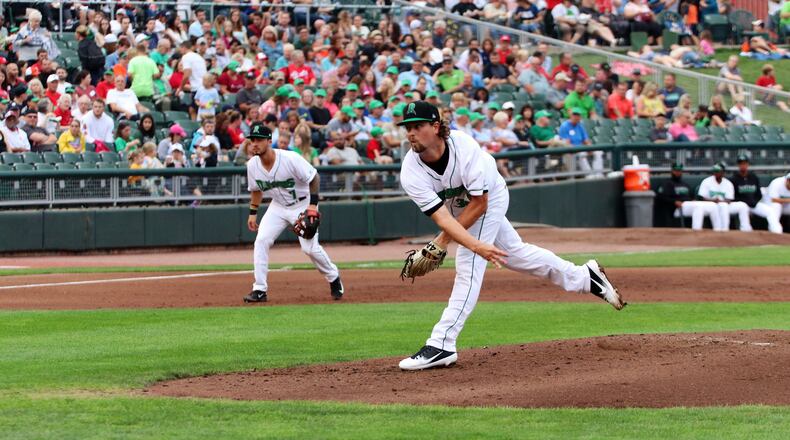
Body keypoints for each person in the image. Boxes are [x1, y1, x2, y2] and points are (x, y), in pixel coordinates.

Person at [396, 101, 624, 371]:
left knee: (469, 264)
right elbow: (443, 219)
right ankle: (585, 277)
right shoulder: (411, 171)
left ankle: (442, 343)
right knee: (516, 254)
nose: (411, 133)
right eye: (407, 127)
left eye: (417, 126)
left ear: (435, 127)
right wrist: (444, 241)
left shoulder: (464, 147)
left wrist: (462, 245)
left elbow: (479, 204)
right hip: (459, 205)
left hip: (490, 196)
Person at [243, 122, 343, 303]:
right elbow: (256, 189)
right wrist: (253, 213)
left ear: (269, 140)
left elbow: (314, 178)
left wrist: (313, 206)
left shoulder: (289, 158)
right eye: (252, 140)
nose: (254, 143)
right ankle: (259, 289)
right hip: (278, 206)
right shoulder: (252, 165)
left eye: (259, 140)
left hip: (303, 204)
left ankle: (333, 276)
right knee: (261, 240)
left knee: (309, 249)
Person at [655, 163, 721, 230]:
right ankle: (696, 230)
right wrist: (674, 202)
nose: (678, 172)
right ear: (672, 171)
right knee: (698, 206)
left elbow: (689, 196)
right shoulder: (667, 183)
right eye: (676, 171)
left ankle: (718, 230)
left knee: (713, 205)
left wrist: (692, 200)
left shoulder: (685, 184)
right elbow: (661, 197)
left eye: (679, 171)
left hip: (688, 205)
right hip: (676, 208)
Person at [698, 164, 752, 232]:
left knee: (743, 205)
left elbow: (729, 200)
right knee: (722, 205)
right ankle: (723, 230)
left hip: (724, 205)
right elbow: (702, 198)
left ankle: (746, 229)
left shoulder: (728, 183)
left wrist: (720, 201)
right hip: (710, 205)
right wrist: (713, 200)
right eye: (715, 171)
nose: (716, 173)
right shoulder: (706, 181)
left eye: (718, 171)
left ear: (723, 173)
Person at [732, 155, 777, 231]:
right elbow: (733, 196)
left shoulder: (753, 177)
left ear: (748, 164)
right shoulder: (734, 179)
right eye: (741, 164)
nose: (743, 165)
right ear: (738, 165)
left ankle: (776, 231)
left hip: (753, 204)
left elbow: (758, 194)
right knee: (743, 207)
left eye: (744, 163)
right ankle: (746, 231)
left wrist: (754, 202)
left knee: (770, 211)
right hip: (741, 205)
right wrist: (745, 202)